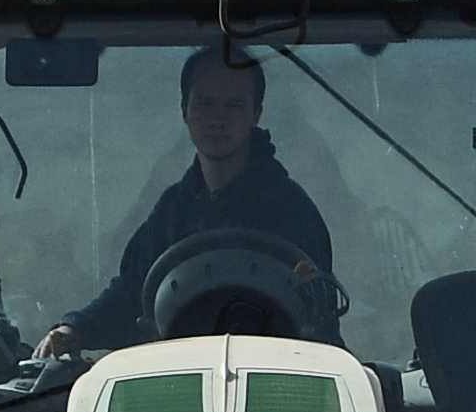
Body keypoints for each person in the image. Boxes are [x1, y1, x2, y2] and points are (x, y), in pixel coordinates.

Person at [35, 44, 338, 356]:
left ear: (256, 114)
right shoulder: (172, 211)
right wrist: (74, 328)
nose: (217, 119)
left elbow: (319, 324)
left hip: (276, 383)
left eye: (233, 105)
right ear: (184, 110)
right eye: (205, 103)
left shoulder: (293, 212)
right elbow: (130, 293)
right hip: (177, 380)